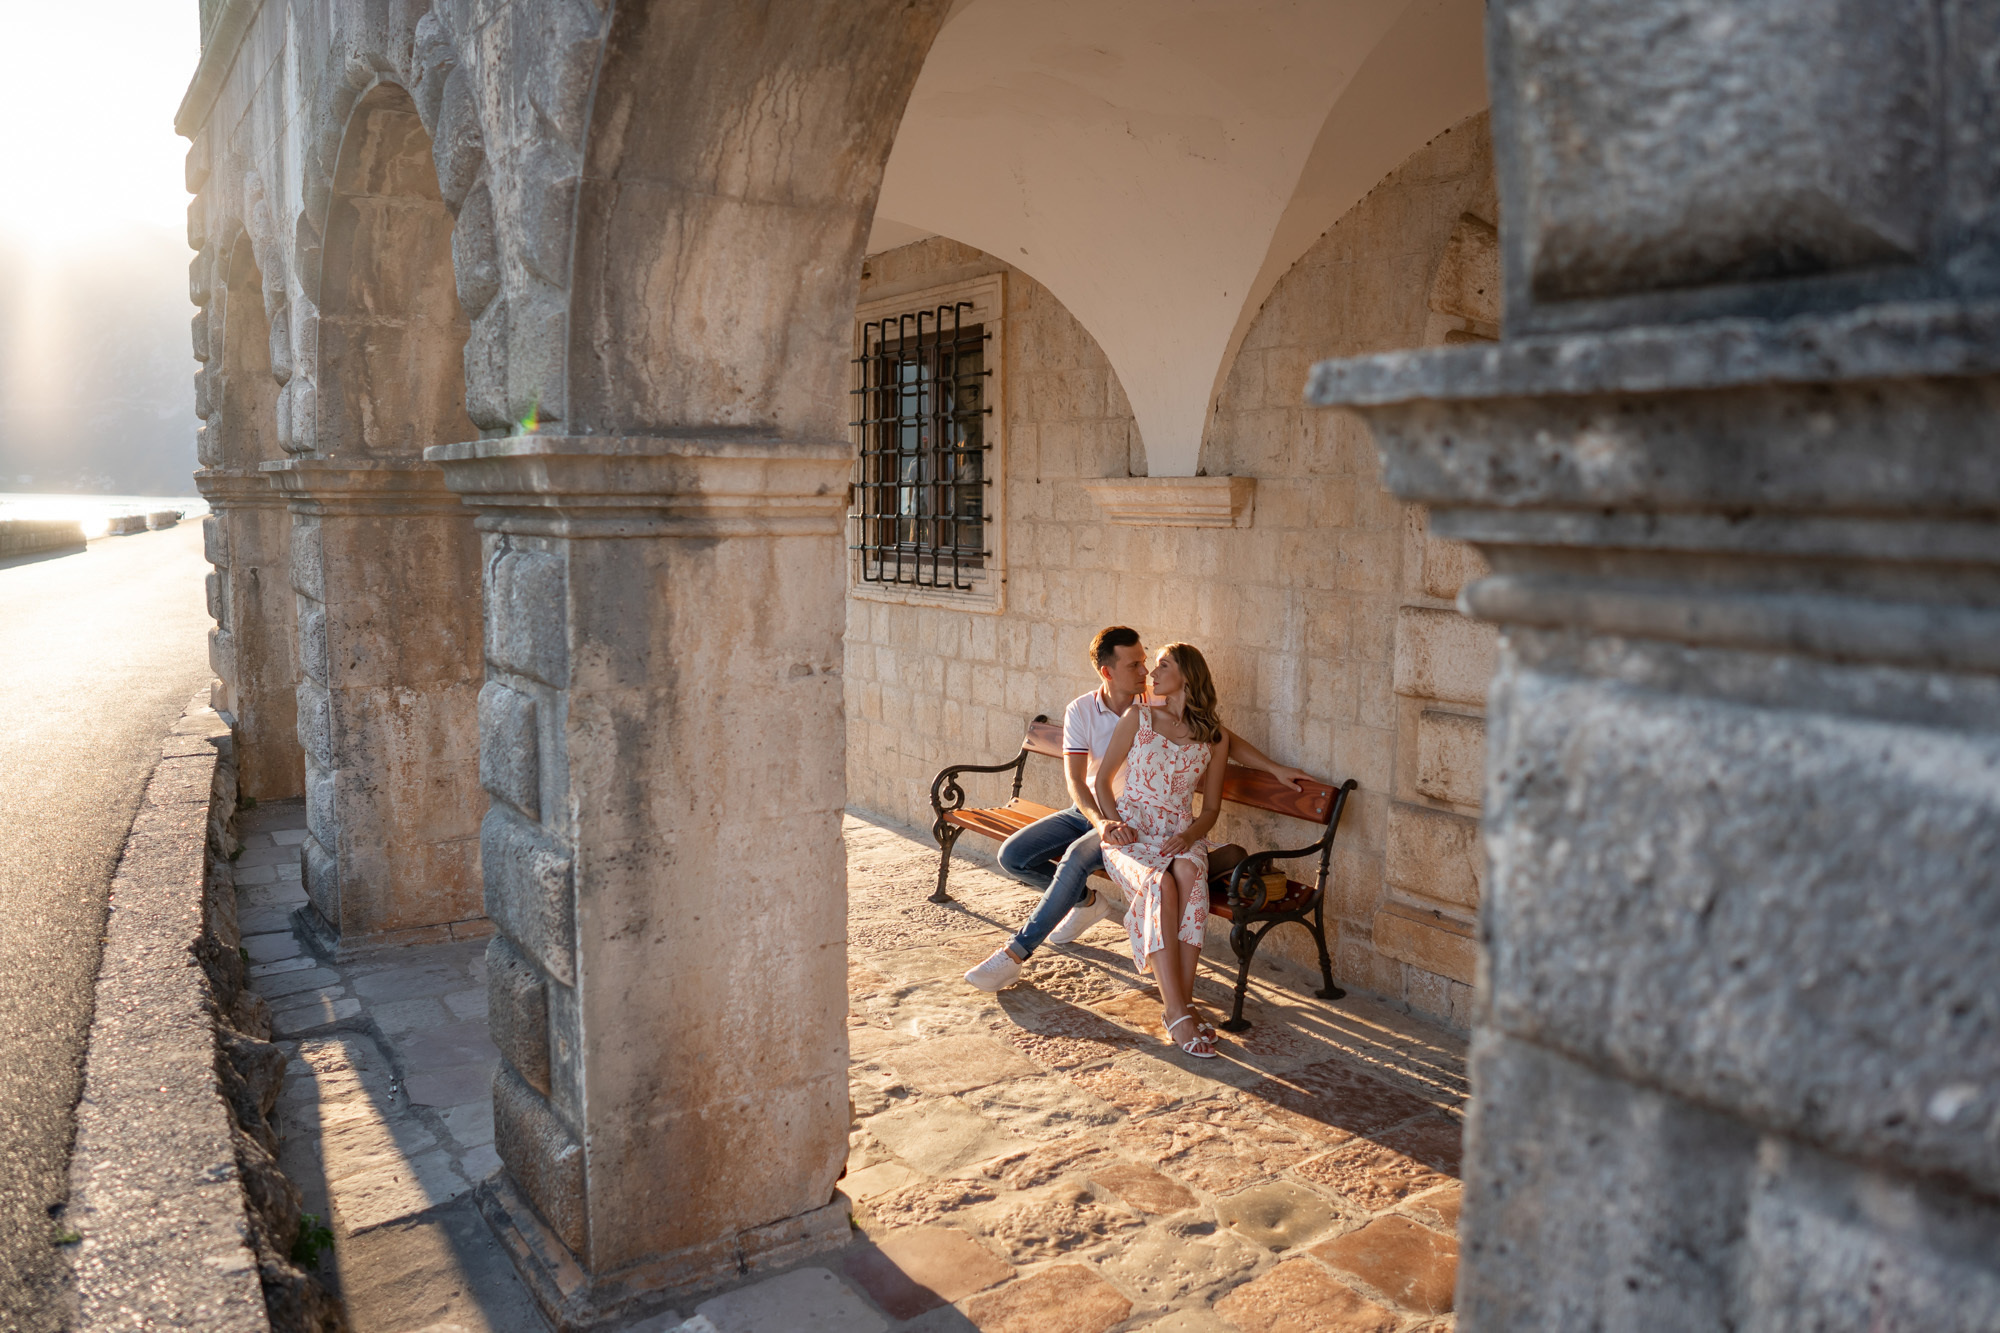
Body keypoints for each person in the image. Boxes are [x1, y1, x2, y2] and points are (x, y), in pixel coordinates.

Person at [963, 625, 1308, 992]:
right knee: (1013, 856)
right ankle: (1086, 904)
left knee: (1077, 860)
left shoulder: (1159, 703)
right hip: (1093, 812)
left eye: (1148, 663)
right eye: (1136, 665)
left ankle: (1015, 953)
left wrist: (1273, 768)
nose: (1146, 673)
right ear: (1107, 672)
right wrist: (1102, 821)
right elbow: (1080, 783)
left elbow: (1218, 735)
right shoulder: (1082, 710)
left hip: (1140, 822)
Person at [1095, 643, 1227, 1057]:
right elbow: (1102, 782)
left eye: (1164, 665)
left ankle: (1181, 1005)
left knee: (1191, 876)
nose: (1152, 671)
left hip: (1179, 834)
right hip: (1132, 834)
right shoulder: (1140, 717)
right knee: (1160, 887)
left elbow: (1211, 810)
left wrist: (1189, 838)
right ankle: (1178, 1011)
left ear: (1186, 675)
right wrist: (1113, 824)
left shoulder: (1214, 736)